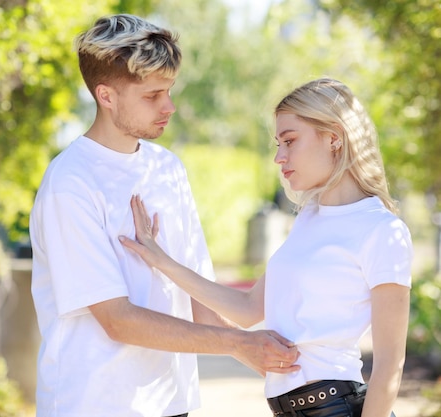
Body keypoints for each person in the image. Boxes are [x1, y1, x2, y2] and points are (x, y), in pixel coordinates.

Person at [30, 13, 299, 417]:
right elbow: (117, 319)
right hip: (95, 405)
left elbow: (197, 293)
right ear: (106, 96)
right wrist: (236, 345)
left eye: (169, 90)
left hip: (171, 401)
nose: (169, 106)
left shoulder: (167, 168)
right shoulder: (70, 182)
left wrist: (264, 358)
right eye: (152, 95)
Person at [120, 78, 412, 417]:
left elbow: (390, 365)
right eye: (278, 144)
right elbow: (246, 309)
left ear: (333, 137)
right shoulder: (308, 219)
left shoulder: (382, 230)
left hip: (338, 407)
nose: (279, 157)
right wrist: (161, 260)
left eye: (289, 141)